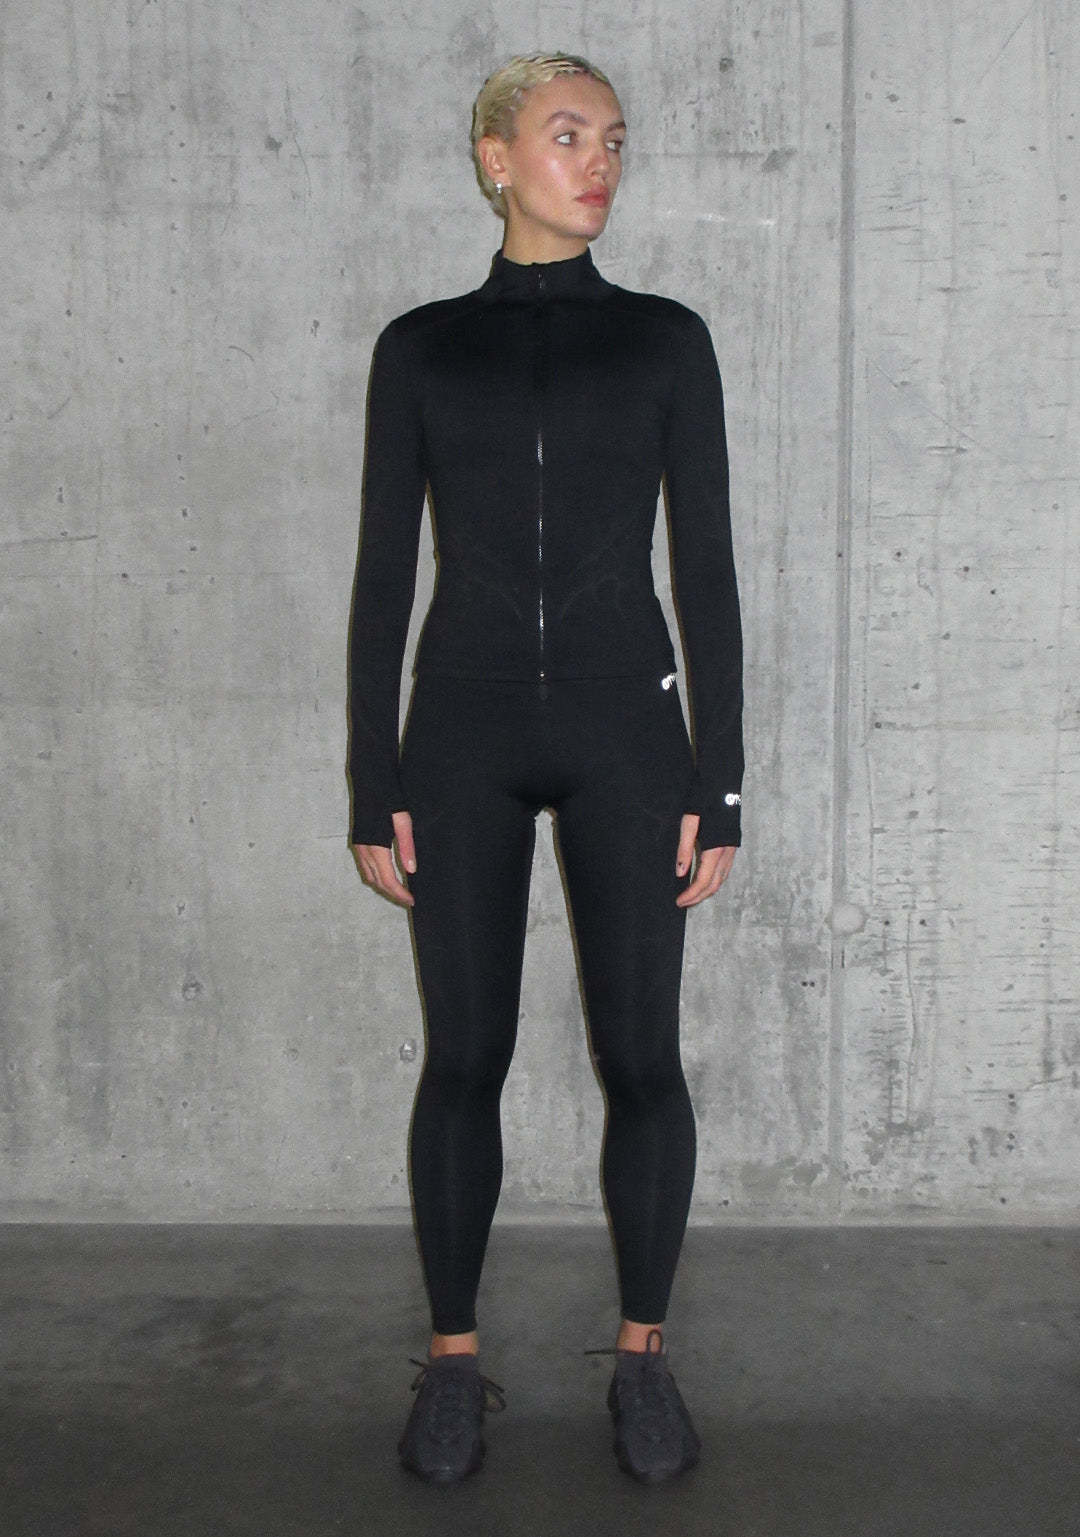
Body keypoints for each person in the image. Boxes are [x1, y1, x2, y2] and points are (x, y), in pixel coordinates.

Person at [347, 52, 743, 1486]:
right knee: (465, 1056)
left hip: (627, 735)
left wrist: (721, 779)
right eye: (569, 136)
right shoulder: (421, 350)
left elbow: (706, 571)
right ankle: (454, 1363)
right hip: (459, 737)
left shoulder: (665, 342)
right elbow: (384, 575)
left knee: (641, 1056)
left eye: (615, 140)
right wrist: (370, 777)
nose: (600, 163)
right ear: (495, 158)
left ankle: (643, 1357)